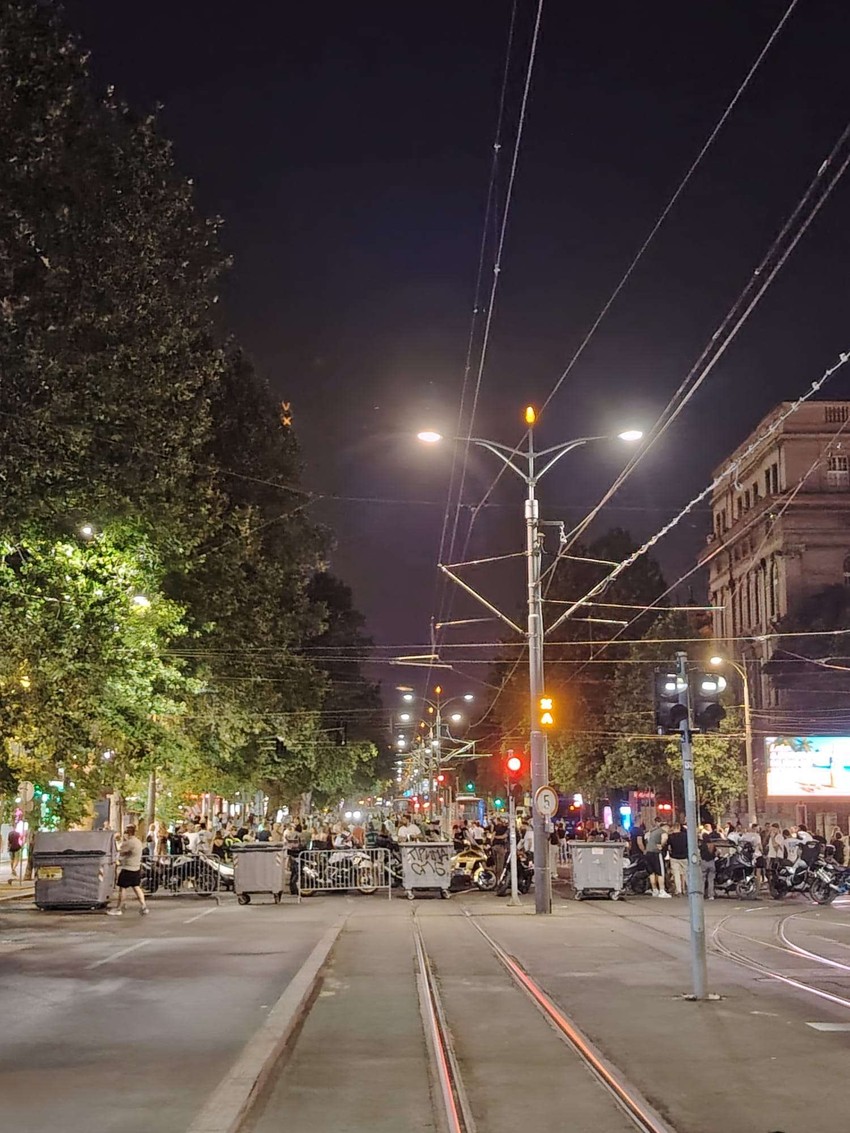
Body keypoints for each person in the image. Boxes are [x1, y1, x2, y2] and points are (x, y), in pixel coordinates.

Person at [107, 825, 148, 916]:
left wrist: (120, 841)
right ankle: (144, 906)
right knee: (136, 887)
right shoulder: (138, 842)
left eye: (125, 832)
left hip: (128, 868)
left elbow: (120, 851)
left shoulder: (129, 842)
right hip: (136, 868)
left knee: (122, 888)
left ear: (128, 832)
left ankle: (119, 908)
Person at [645, 821, 671, 897]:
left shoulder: (653, 832)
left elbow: (646, 838)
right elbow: (665, 838)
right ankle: (662, 891)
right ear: (666, 827)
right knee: (660, 872)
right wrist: (662, 845)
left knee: (652, 873)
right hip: (656, 853)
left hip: (648, 852)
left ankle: (654, 890)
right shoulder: (663, 832)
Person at [700, 822, 721, 899]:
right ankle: (711, 895)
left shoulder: (702, 845)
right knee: (711, 880)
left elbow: (700, 853)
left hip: (704, 862)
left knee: (702, 879)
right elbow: (716, 852)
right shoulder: (712, 845)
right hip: (712, 862)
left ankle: (702, 894)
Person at [667, 822, 688, 896]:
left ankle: (678, 890)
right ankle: (687, 889)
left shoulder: (670, 836)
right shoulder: (685, 836)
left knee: (676, 874)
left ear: (673, 828)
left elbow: (669, 847)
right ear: (679, 827)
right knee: (686, 874)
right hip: (684, 857)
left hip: (674, 857)